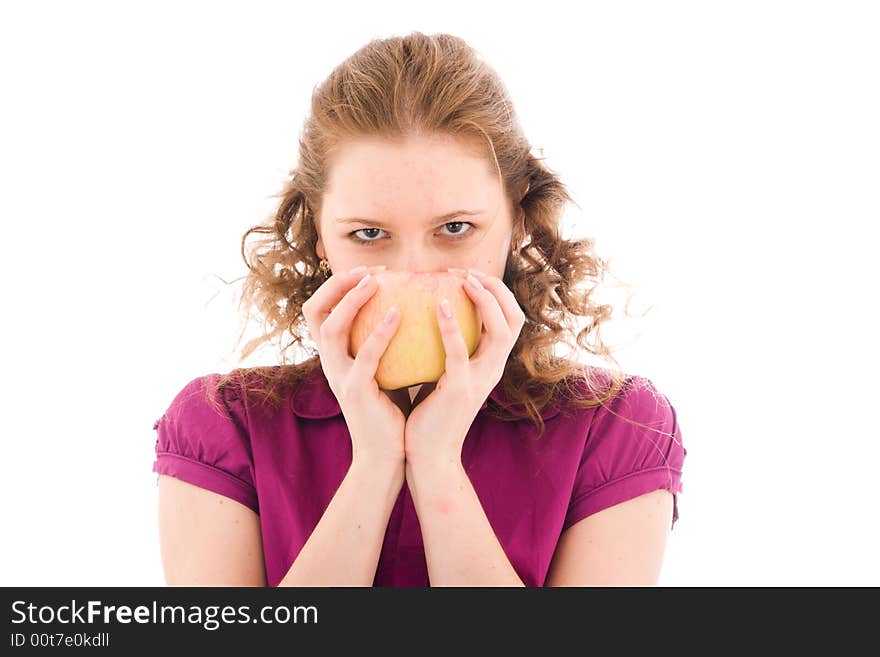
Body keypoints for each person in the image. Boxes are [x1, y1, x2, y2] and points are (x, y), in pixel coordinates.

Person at [152, 32, 687, 587]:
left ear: (517, 223)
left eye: (455, 228)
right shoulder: (221, 428)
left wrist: (436, 466)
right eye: (368, 233)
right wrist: (375, 464)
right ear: (319, 237)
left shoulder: (618, 429)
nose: (413, 272)